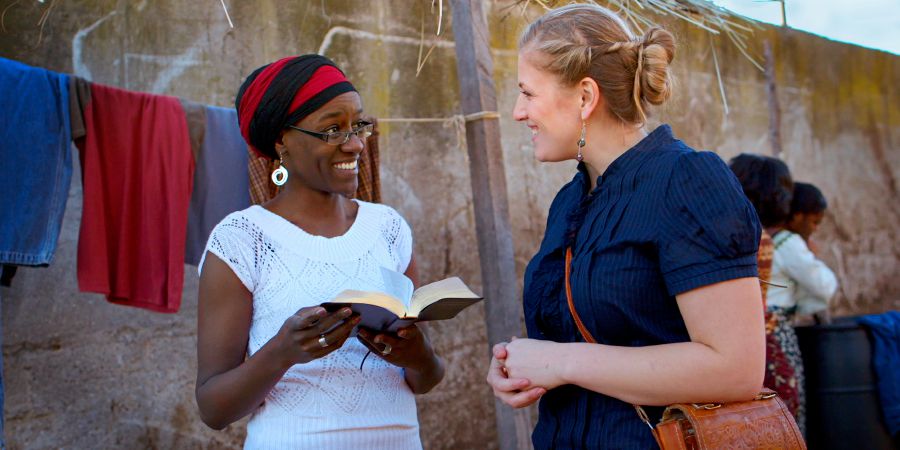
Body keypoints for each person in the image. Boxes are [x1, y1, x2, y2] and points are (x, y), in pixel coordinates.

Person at [485, 5, 765, 448]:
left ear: (585, 97)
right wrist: (520, 363)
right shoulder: (570, 200)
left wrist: (562, 362)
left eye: (528, 93)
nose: (519, 112)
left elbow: (736, 369)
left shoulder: (686, 179)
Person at [194, 55, 444, 449]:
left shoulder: (388, 228)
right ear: (282, 141)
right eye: (332, 130)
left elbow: (426, 379)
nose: (356, 144)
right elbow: (213, 408)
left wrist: (419, 356)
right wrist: (282, 353)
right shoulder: (241, 240)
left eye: (357, 126)